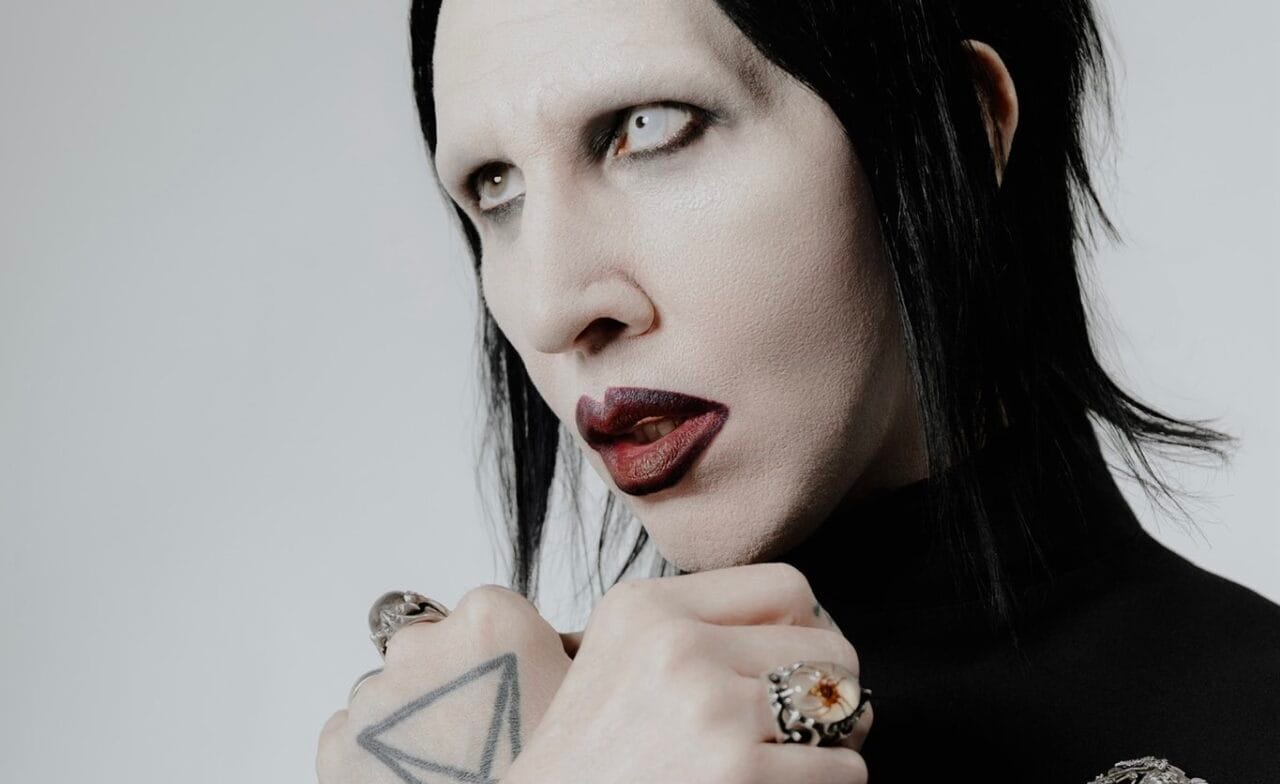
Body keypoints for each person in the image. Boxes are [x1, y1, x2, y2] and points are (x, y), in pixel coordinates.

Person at [316, 1, 1280, 782]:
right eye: (495, 186)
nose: (553, 306)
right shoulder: (493, 738)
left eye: (648, 128)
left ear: (959, 125)